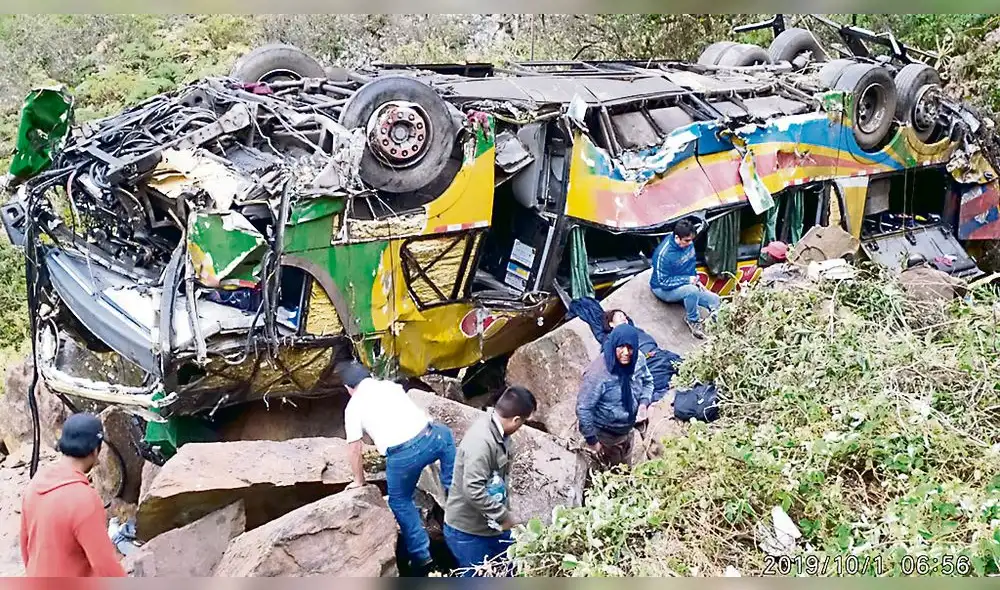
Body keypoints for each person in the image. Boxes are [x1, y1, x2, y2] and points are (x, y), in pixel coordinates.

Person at [338, 359, 456, 576]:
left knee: (400, 501)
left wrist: (358, 481)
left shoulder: (353, 407)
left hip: (403, 456)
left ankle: (423, 558)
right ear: (368, 377)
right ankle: (460, 506)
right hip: (433, 437)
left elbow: (355, 448)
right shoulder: (389, 386)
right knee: (448, 443)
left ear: (348, 388)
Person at [443, 386, 536, 577]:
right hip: (468, 532)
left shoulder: (499, 433)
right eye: (523, 422)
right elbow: (473, 490)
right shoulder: (481, 442)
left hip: (491, 526)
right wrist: (504, 516)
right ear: (516, 419)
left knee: (512, 568)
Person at [20, 412, 126, 577]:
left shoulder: (35, 484)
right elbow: (105, 566)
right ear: (95, 451)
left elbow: (26, 547)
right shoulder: (84, 500)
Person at [576, 324, 654, 468]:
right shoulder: (597, 374)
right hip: (606, 433)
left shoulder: (638, 360)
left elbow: (648, 382)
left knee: (626, 464)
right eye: (620, 347)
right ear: (613, 346)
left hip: (628, 426)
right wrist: (592, 441)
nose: (626, 353)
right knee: (612, 469)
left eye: (630, 348)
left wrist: (643, 404)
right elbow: (583, 409)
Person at [649, 219, 721, 339]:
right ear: (677, 238)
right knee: (691, 291)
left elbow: (691, 264)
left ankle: (716, 324)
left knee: (715, 299)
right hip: (662, 289)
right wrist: (688, 280)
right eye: (686, 240)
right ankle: (692, 320)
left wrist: (696, 280)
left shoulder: (689, 244)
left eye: (691, 240)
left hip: (685, 282)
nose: (690, 243)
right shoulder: (663, 254)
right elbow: (663, 282)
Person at [603, 309, 682, 402]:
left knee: (688, 368)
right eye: (620, 316)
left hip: (661, 355)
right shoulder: (611, 340)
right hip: (649, 364)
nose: (624, 318)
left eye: (625, 316)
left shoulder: (637, 331)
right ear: (611, 324)